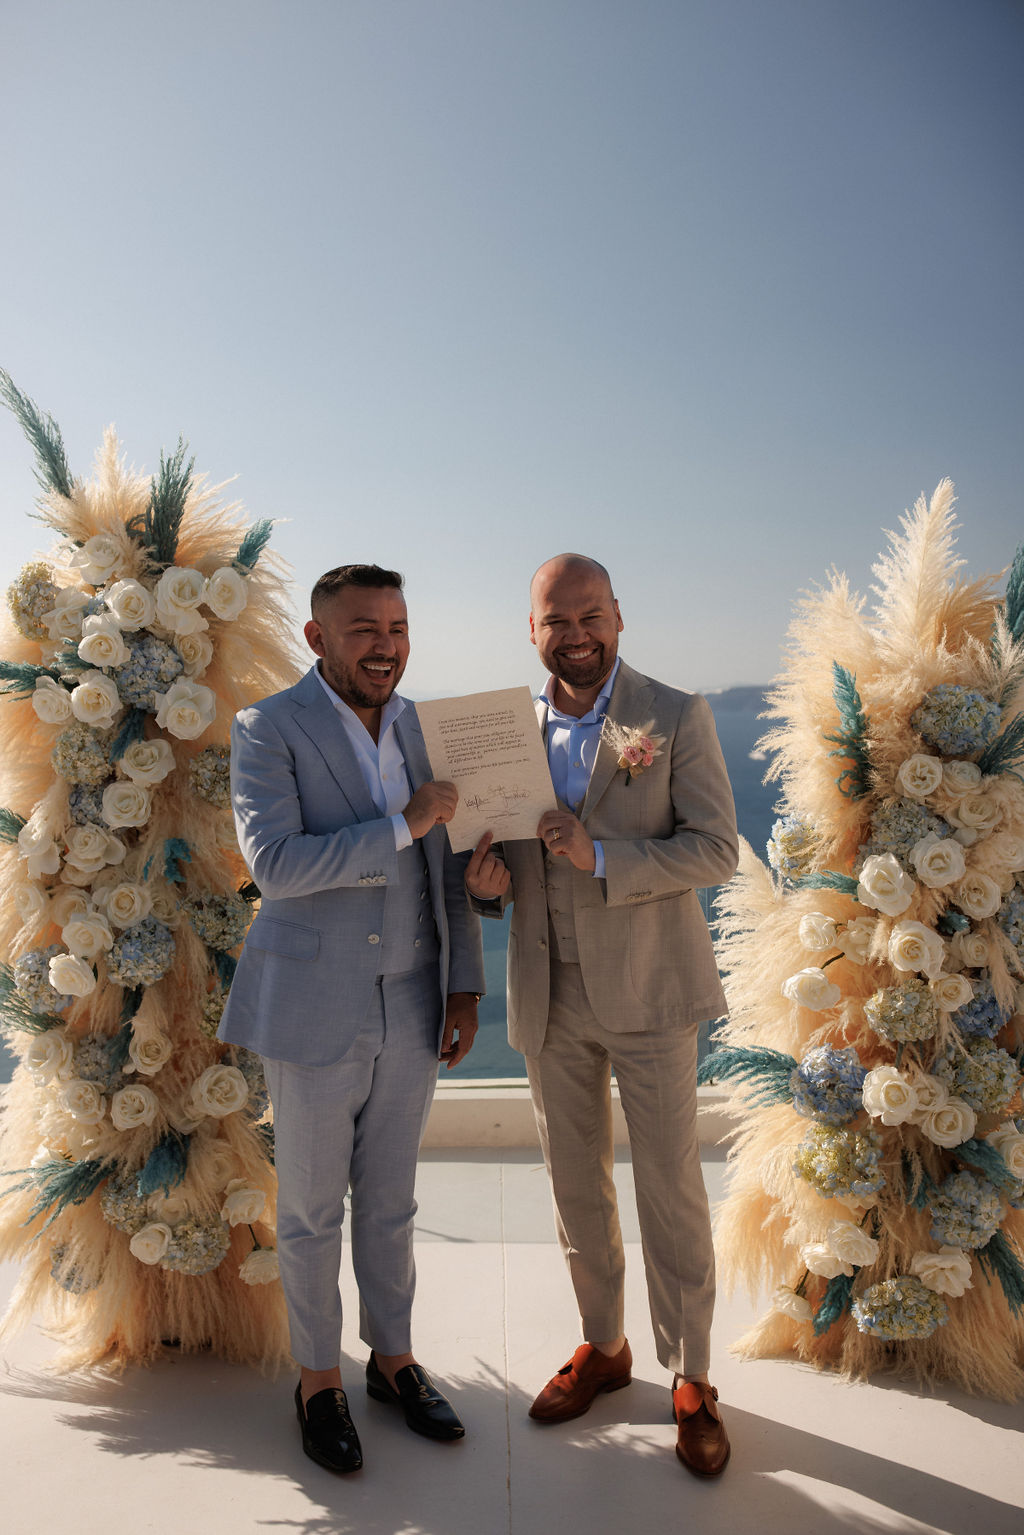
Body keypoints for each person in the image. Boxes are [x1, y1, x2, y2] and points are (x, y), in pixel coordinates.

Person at [466, 553, 738, 1477]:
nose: (576, 635)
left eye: (591, 616)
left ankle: (692, 1376)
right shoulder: (504, 732)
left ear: (618, 616)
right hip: (548, 992)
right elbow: (500, 858)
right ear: (532, 630)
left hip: (652, 989)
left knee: (670, 1187)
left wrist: (604, 857)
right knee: (575, 1184)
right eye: (557, 620)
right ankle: (605, 1346)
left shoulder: (675, 714)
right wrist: (486, 887)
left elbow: (716, 849)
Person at [220, 563, 484, 1474]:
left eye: (398, 627)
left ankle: (393, 1359)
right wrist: (404, 822)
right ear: (317, 637)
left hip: (414, 999)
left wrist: (464, 986)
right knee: (308, 1211)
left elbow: (451, 871)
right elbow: (278, 865)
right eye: (365, 627)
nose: (386, 645)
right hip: (313, 1003)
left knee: (391, 1200)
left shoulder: (427, 727)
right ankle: (318, 1379)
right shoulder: (266, 727)